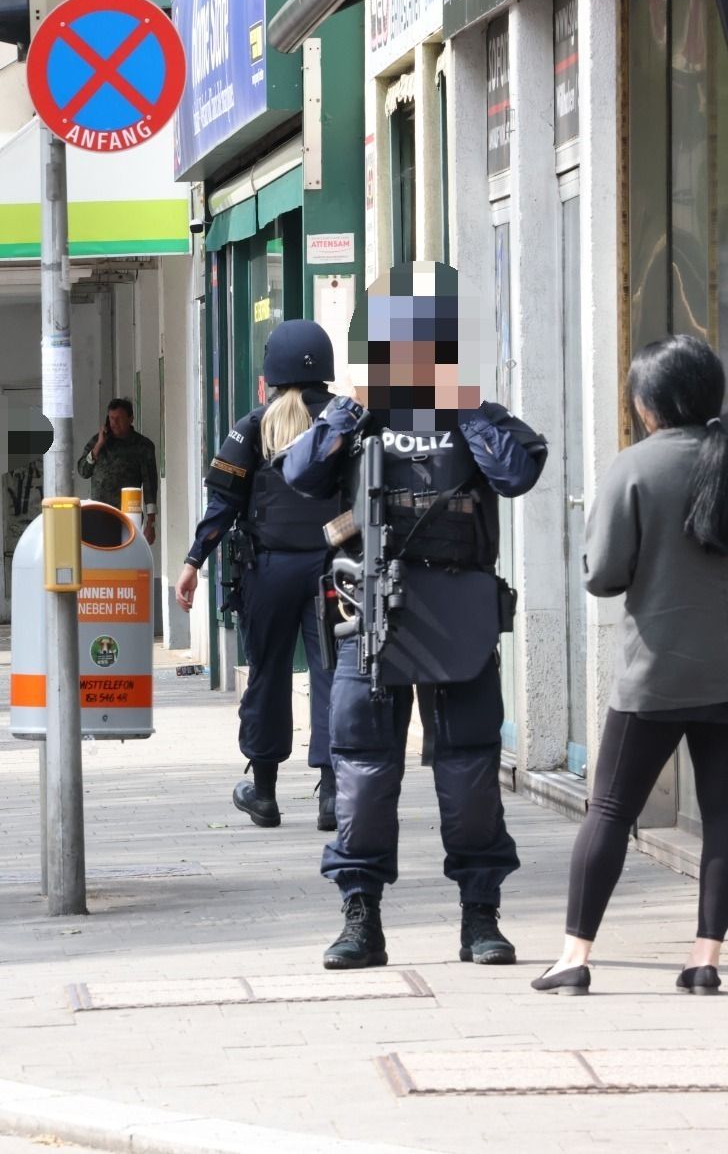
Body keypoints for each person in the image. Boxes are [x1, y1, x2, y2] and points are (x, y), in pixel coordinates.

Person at [281, 262, 548, 972]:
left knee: (469, 771)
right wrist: (348, 409)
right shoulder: (356, 415)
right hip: (369, 613)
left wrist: (462, 405)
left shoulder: (475, 415)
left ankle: (480, 913)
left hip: (458, 613)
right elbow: (299, 474)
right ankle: (360, 915)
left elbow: (518, 472)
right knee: (363, 771)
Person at [532, 334, 728, 997]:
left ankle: (574, 956)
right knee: (723, 817)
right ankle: (705, 959)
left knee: (611, 809)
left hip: (655, 676)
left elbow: (603, 575)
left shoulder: (636, 466)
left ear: (649, 403)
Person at [175, 320, 343, 831]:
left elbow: (222, 505)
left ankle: (265, 793)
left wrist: (192, 563)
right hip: (332, 569)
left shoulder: (254, 426)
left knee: (267, 676)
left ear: (271, 371)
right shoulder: (344, 421)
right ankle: (332, 795)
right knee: (332, 676)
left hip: (269, 572)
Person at [77, 398, 158, 544]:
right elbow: (83, 471)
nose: (114, 423)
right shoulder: (99, 441)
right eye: (111, 418)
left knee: (124, 554)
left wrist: (151, 523)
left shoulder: (143, 446)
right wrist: (99, 446)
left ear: (131, 419)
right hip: (99, 514)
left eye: (119, 419)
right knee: (100, 553)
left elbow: (150, 486)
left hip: (127, 515)